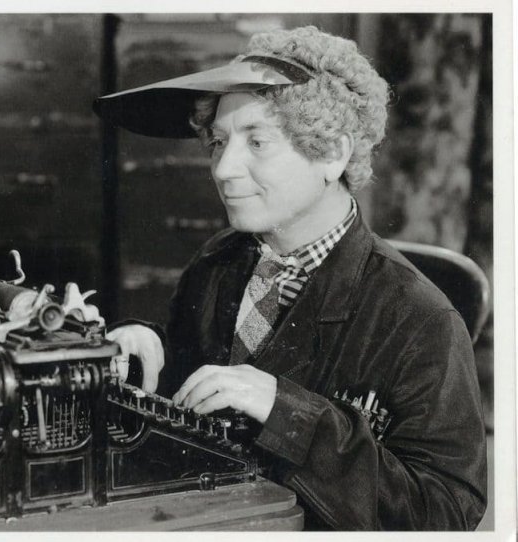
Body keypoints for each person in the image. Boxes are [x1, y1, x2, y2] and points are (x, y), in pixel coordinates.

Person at [93, 26, 486, 530]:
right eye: (218, 142)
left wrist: (288, 413)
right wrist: (149, 345)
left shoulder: (422, 320)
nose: (224, 169)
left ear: (332, 154)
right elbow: (198, 381)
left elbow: (446, 513)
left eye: (257, 141)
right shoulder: (218, 261)